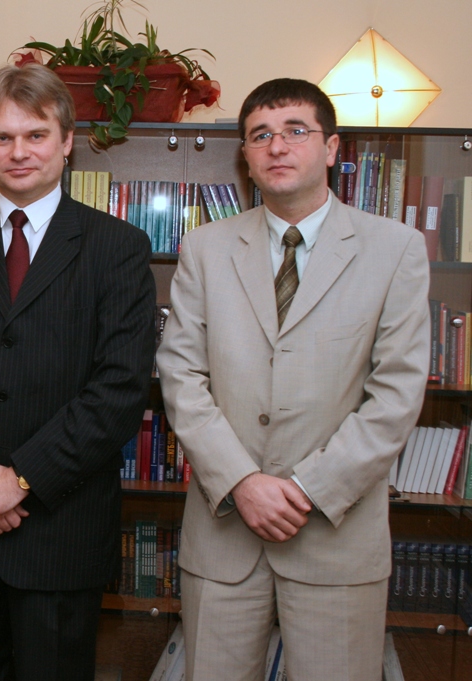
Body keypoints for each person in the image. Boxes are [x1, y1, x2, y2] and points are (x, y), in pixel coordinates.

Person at [156, 78, 430, 680]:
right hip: (226, 534)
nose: (277, 146)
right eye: (260, 136)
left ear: (332, 148)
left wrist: (308, 489)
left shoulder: (395, 249)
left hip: (335, 537)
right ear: (246, 156)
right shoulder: (204, 248)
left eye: (295, 131)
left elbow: (397, 394)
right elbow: (180, 375)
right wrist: (243, 482)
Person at [0, 63, 156, 681]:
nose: (18, 152)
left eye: (35, 135)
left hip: (59, 537)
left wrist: (17, 482)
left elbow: (119, 390)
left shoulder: (117, 247)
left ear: (67, 141)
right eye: (1, 136)